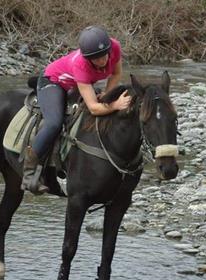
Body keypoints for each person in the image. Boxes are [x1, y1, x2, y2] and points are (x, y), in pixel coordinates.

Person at [22, 25, 132, 194]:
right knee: (54, 123)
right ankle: (29, 173)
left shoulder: (114, 46)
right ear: (88, 58)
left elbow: (116, 74)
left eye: (104, 55)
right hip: (53, 82)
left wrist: (108, 95)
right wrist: (114, 105)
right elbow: (94, 109)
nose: (102, 61)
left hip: (77, 84)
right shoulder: (81, 64)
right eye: (96, 59)